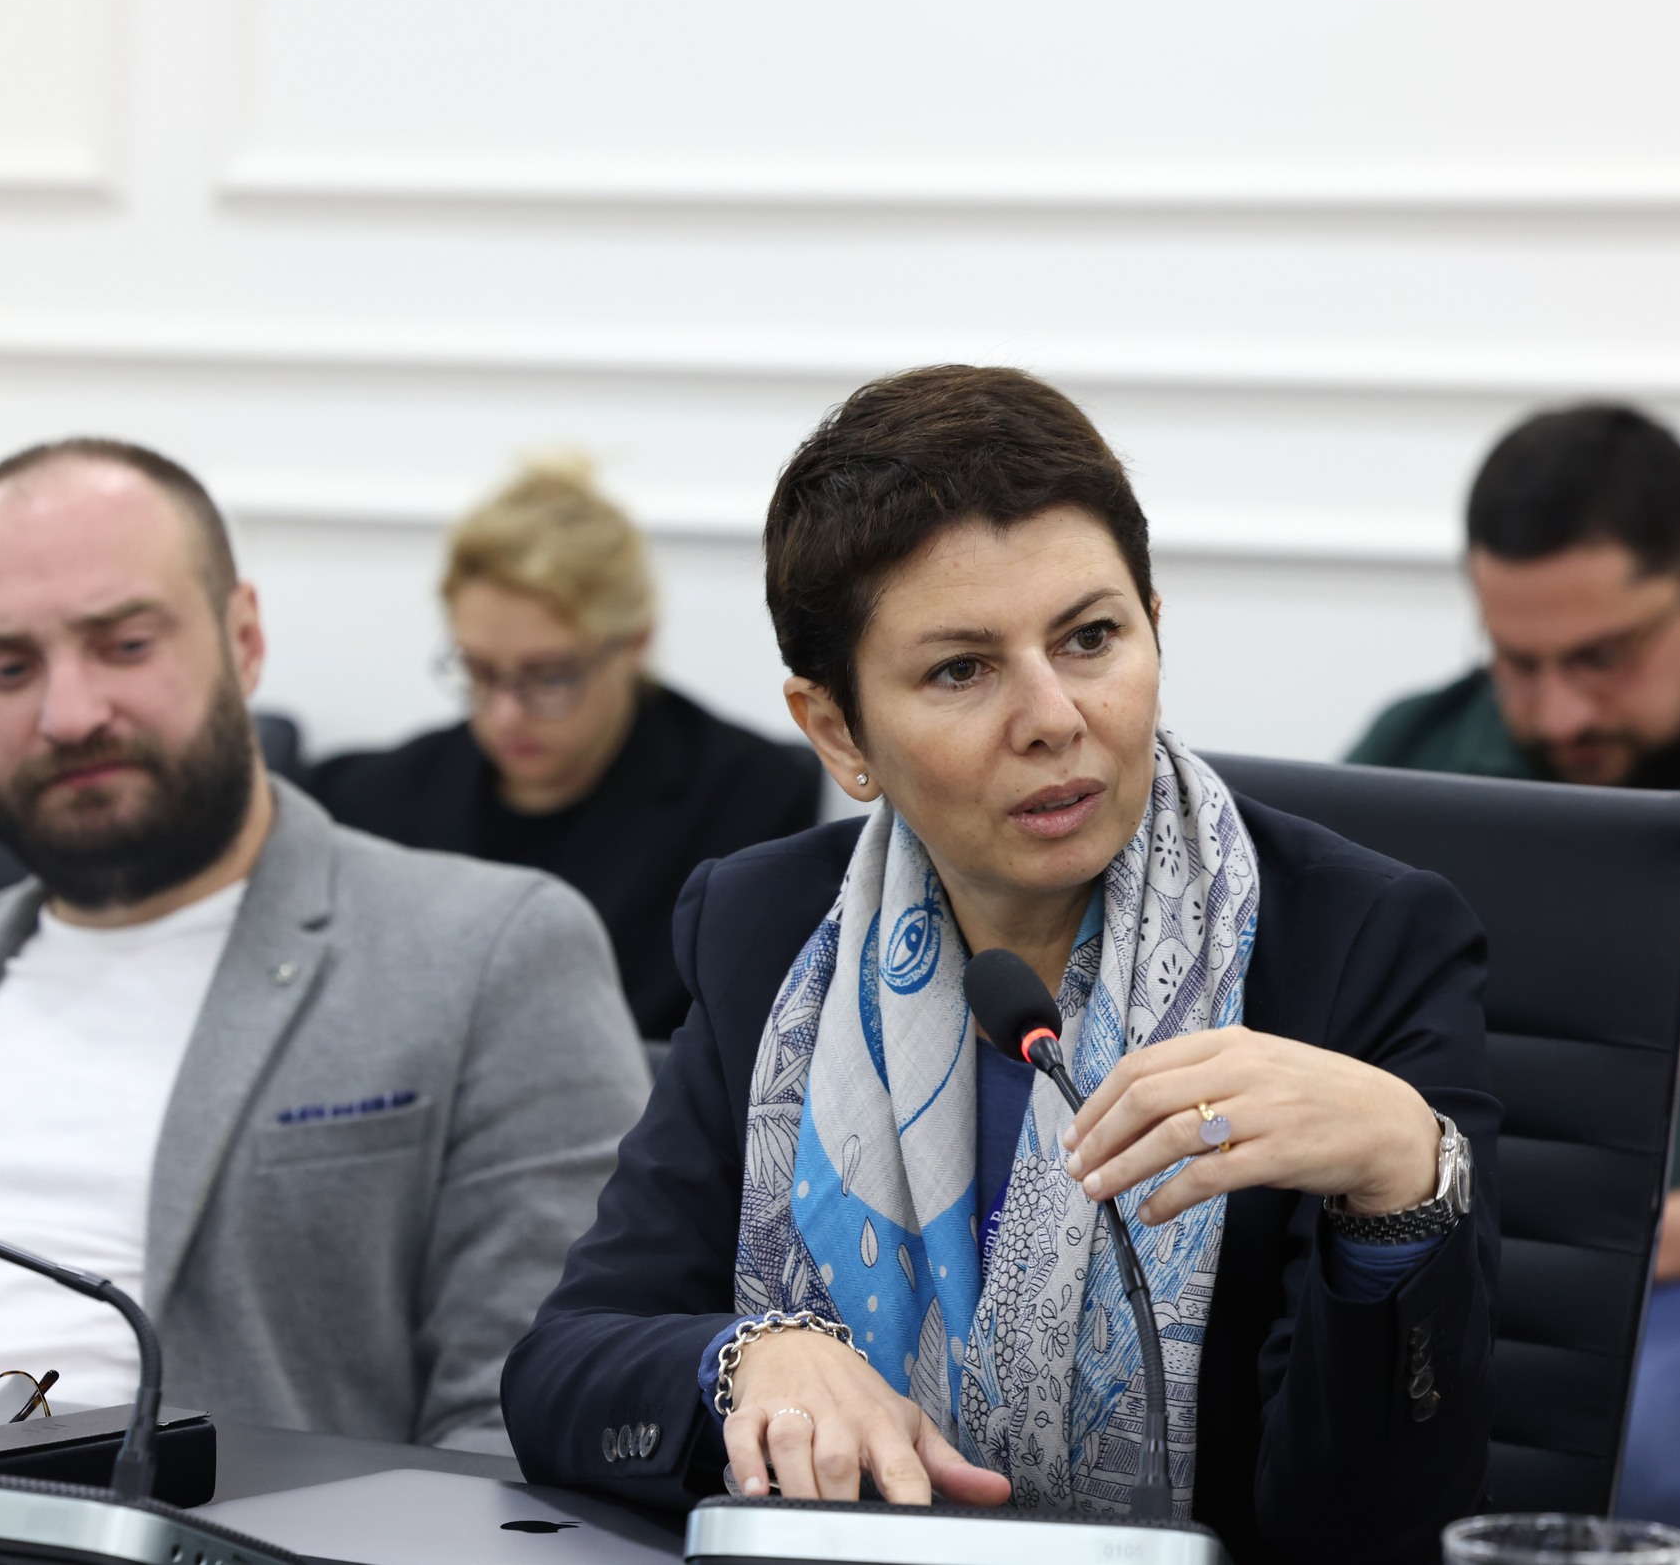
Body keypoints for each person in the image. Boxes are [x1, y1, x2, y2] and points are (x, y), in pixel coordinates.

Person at [502, 366, 1499, 1565]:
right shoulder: (765, 929)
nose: (1052, 717)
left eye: (1089, 639)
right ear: (836, 731)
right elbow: (563, 1371)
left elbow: (1371, 1534)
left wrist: (1401, 1184)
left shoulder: (1359, 946)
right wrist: (746, 1358)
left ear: (1152, 627)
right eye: (959, 669)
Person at [0, 437, 649, 1454]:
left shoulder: (486, 955)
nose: (68, 715)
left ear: (244, 639)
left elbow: (530, 1421)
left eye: (125, 645)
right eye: (6, 667)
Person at [1348, 403, 1680, 1538]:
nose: (1559, 710)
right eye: (1518, 662)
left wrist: (1648, 1244)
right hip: (1434, 1250)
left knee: (1659, 1459)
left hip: (1679, 1281)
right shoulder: (1417, 756)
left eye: (1603, 657)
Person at [312, 458, 821, 1048]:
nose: (505, 714)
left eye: (550, 676)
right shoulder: (369, 798)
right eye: (479, 671)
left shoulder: (747, 794)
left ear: (635, 642)